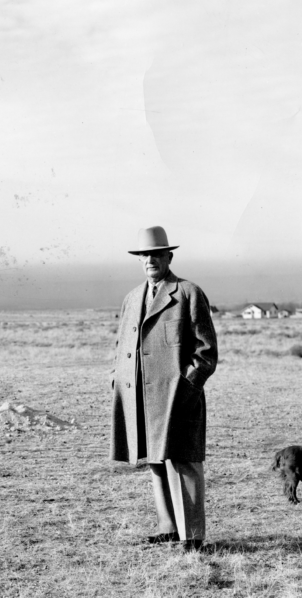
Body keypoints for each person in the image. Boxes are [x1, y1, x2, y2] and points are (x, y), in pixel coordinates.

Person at [110, 226, 218, 551]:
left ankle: (192, 537)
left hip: (178, 399)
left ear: (169, 256)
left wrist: (186, 388)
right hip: (141, 399)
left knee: (184, 462)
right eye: (144, 255)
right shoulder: (131, 299)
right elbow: (122, 346)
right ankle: (168, 527)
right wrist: (118, 382)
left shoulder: (188, 293)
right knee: (155, 461)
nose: (149, 261)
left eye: (156, 254)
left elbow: (205, 352)